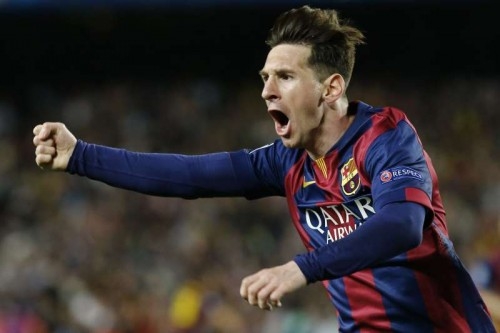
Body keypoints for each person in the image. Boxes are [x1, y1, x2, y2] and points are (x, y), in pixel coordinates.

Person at [32, 5, 496, 332]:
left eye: (286, 77)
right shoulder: (286, 160)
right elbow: (190, 177)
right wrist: (81, 156)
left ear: (331, 88)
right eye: (265, 78)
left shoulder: (387, 136)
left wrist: (302, 268)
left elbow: (402, 225)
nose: (267, 91)